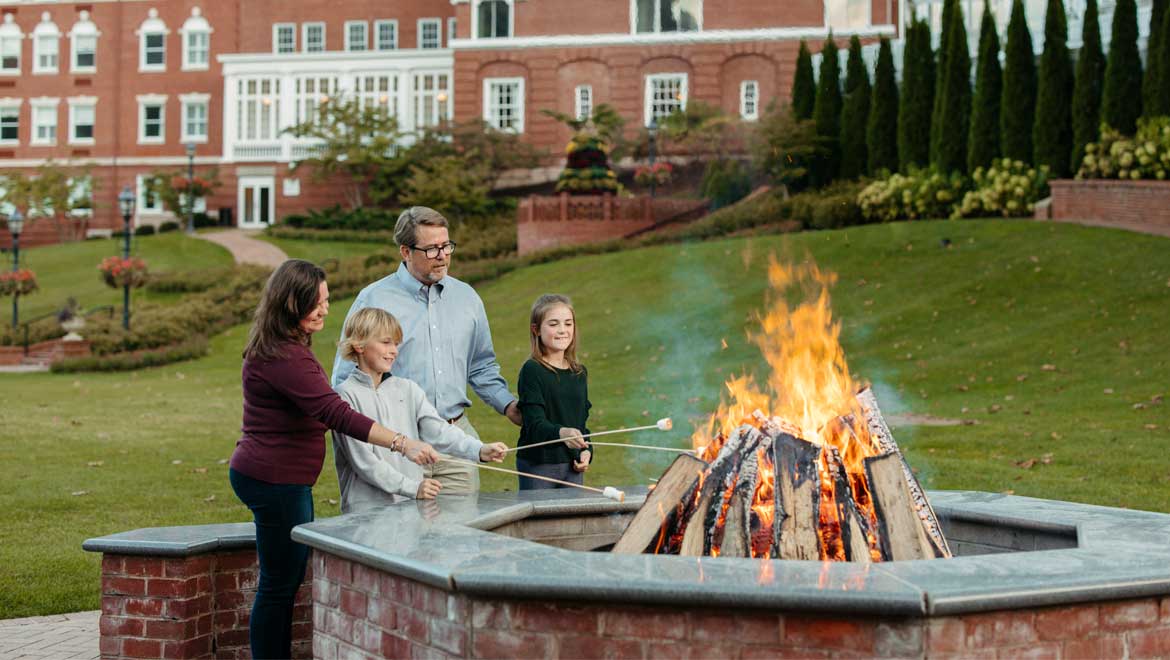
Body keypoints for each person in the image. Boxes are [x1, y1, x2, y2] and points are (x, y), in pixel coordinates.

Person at [229, 259, 439, 659]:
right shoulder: (283, 357)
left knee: (282, 579)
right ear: (293, 303)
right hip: (274, 480)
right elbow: (335, 413)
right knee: (279, 583)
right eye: (317, 301)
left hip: (277, 478)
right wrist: (401, 443)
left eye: (327, 299)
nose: (326, 309)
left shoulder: (284, 347)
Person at [331, 206, 522, 496]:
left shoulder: (467, 297)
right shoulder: (374, 299)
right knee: (400, 536)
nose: (443, 255)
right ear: (405, 251)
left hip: (456, 438)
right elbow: (346, 378)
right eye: (432, 249)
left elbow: (481, 366)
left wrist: (508, 405)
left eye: (446, 246)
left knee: (461, 536)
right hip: (396, 445)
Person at [332, 307, 509, 513]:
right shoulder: (343, 397)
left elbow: (439, 430)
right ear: (359, 344)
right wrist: (412, 488)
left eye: (396, 344)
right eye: (386, 342)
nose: (394, 351)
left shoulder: (408, 389)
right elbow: (364, 463)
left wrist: (478, 449)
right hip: (366, 510)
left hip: (409, 507)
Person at [515, 294, 594, 489]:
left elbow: (580, 424)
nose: (562, 330)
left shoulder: (579, 373)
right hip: (539, 465)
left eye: (568, 324)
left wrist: (587, 450)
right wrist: (562, 432)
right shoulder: (532, 370)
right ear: (536, 330)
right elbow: (534, 425)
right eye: (553, 324)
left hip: (572, 466)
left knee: (573, 519)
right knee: (542, 519)